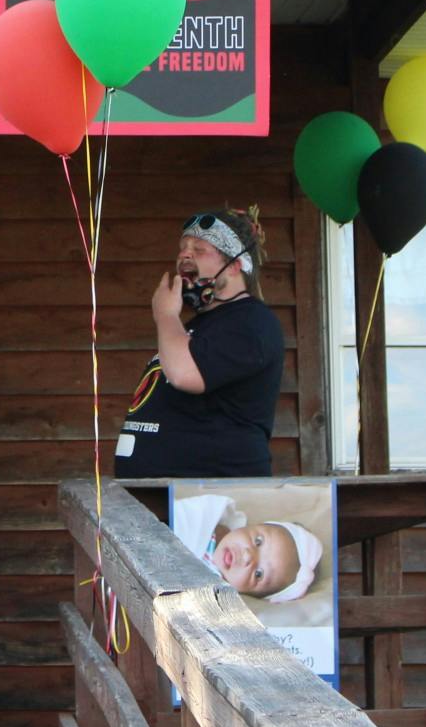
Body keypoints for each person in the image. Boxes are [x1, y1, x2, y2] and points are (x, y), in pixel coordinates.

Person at [114, 208, 284, 479]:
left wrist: (166, 314)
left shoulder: (251, 321)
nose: (185, 254)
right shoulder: (198, 325)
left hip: (210, 496)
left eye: (200, 249)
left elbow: (184, 375)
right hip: (170, 497)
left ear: (236, 265)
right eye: (182, 248)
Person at [169, 492, 321, 602]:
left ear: (247, 593)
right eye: (258, 541)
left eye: (258, 574)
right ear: (254, 525)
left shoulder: (212, 596)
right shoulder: (204, 515)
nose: (248, 556)